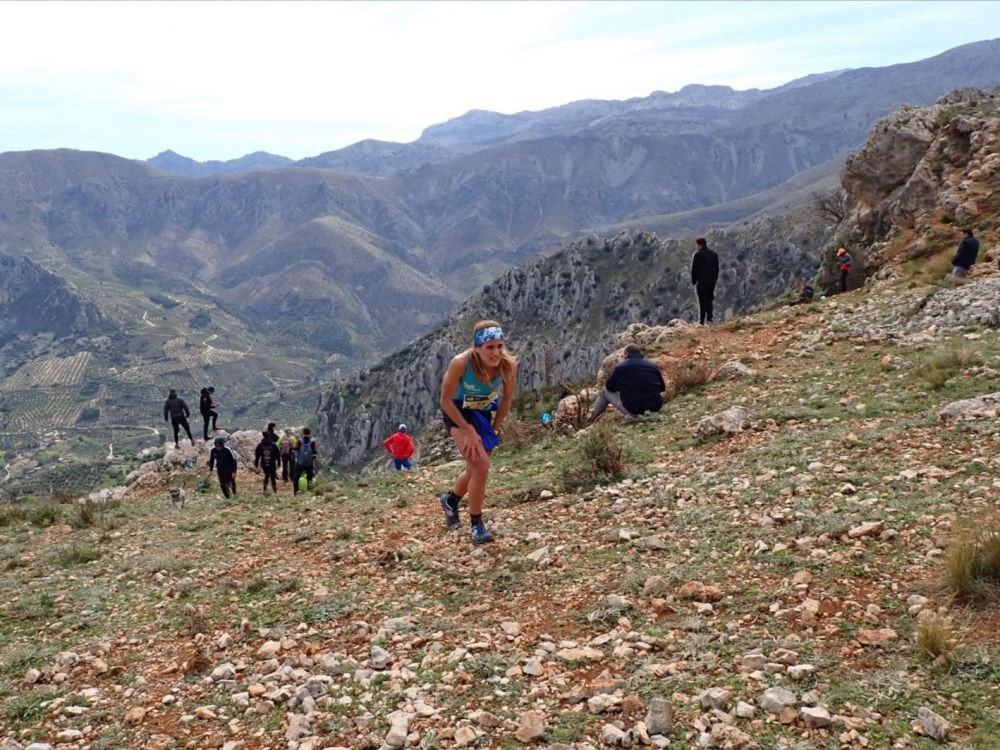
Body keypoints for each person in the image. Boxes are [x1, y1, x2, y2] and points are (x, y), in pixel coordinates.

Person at [438, 320, 518, 544]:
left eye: (499, 346)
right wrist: (468, 431)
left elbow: (507, 400)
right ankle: (477, 525)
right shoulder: (460, 364)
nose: (496, 352)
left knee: (475, 469)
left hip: (482, 413)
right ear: (477, 348)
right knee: (481, 467)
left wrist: (494, 428)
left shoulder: (508, 366)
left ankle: (451, 501)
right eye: (490, 347)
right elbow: (445, 400)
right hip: (457, 413)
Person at [586, 344, 666, 425]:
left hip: (634, 411)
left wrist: (622, 388)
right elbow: (662, 388)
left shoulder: (621, 367)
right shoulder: (652, 365)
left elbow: (609, 387)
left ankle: (592, 420)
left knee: (604, 392)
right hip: (655, 408)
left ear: (626, 354)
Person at [690, 237, 719, 325]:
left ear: (699, 245)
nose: (696, 247)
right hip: (712, 281)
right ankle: (710, 319)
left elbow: (694, 269)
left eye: (696, 245)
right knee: (709, 299)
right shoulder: (714, 254)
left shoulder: (697, 255)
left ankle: (701, 321)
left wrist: (694, 281)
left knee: (702, 300)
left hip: (702, 281)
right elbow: (717, 268)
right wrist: (715, 279)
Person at [291, 428, 318, 495]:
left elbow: (296, 448)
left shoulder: (299, 441)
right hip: (309, 462)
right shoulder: (313, 441)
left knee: (296, 477)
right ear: (310, 433)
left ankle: (295, 492)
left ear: (303, 433)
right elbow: (315, 451)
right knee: (310, 477)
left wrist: (292, 448)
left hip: (300, 462)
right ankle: (310, 490)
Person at [254, 430, 281, 495]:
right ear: (269, 436)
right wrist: (279, 462)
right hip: (272, 463)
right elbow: (278, 454)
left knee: (266, 475)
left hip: (264, 463)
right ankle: (274, 491)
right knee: (272, 476)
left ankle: (265, 490)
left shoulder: (260, 445)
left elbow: (257, 455)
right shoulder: (273, 445)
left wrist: (256, 463)